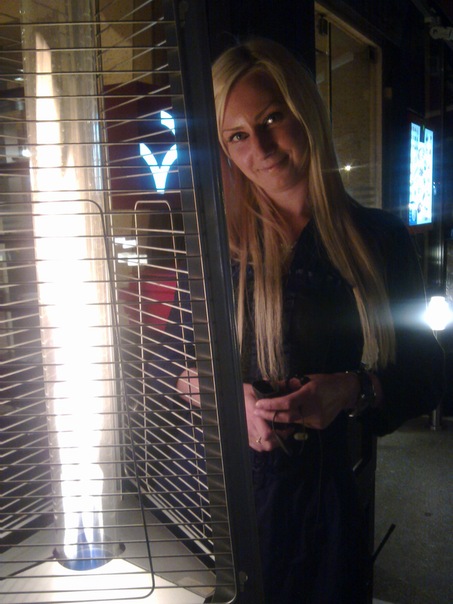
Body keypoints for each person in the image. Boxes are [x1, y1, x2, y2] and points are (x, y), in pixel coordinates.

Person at [176, 37, 444, 603]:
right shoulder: (214, 248)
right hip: (225, 501)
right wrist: (226, 399)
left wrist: (351, 390)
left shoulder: (379, 239)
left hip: (331, 501)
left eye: (272, 118)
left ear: (306, 113)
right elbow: (165, 363)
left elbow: (427, 372)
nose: (261, 147)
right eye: (237, 136)